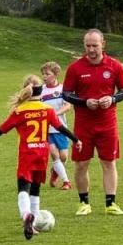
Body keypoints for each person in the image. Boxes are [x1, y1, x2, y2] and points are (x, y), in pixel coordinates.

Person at [0, 74, 78, 240]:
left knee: (23, 188)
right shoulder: (47, 110)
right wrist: (76, 140)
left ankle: (26, 216)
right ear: (41, 92)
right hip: (42, 154)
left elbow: (1, 129)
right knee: (36, 190)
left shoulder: (20, 111)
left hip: (27, 154)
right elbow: (60, 127)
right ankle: (32, 224)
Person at [61, 28, 123, 216]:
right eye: (88, 45)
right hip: (83, 125)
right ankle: (84, 203)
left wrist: (112, 99)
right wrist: (84, 102)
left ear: (103, 44)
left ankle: (110, 203)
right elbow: (66, 93)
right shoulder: (75, 68)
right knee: (81, 164)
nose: (91, 49)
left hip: (108, 123)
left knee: (109, 162)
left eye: (95, 46)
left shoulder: (114, 66)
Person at [39, 62, 73, 190]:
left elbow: (67, 106)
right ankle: (66, 182)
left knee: (64, 157)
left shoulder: (63, 89)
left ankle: (55, 172)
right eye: (43, 74)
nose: (44, 76)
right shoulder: (41, 90)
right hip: (46, 129)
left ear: (56, 74)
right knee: (55, 155)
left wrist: (53, 115)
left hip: (60, 127)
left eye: (47, 74)